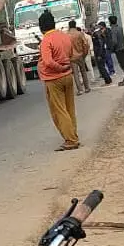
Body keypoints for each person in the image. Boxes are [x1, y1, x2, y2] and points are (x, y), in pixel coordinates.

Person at [38, 10, 79, 151]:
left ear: (41, 27)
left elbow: (48, 62)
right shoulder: (64, 36)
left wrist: (59, 68)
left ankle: (71, 140)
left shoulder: (46, 41)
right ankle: (73, 135)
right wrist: (64, 66)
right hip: (68, 76)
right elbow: (71, 54)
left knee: (59, 111)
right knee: (69, 108)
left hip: (54, 79)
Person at [67, 20, 91, 95]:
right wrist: (85, 54)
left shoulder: (66, 35)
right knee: (83, 71)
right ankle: (87, 88)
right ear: (75, 25)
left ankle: (80, 90)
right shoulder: (80, 34)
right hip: (80, 55)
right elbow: (85, 44)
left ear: (69, 26)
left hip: (72, 57)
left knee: (76, 74)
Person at [107, 16, 124, 86]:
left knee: (123, 65)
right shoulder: (120, 28)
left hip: (119, 49)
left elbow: (114, 41)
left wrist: (111, 49)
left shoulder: (113, 29)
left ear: (110, 22)